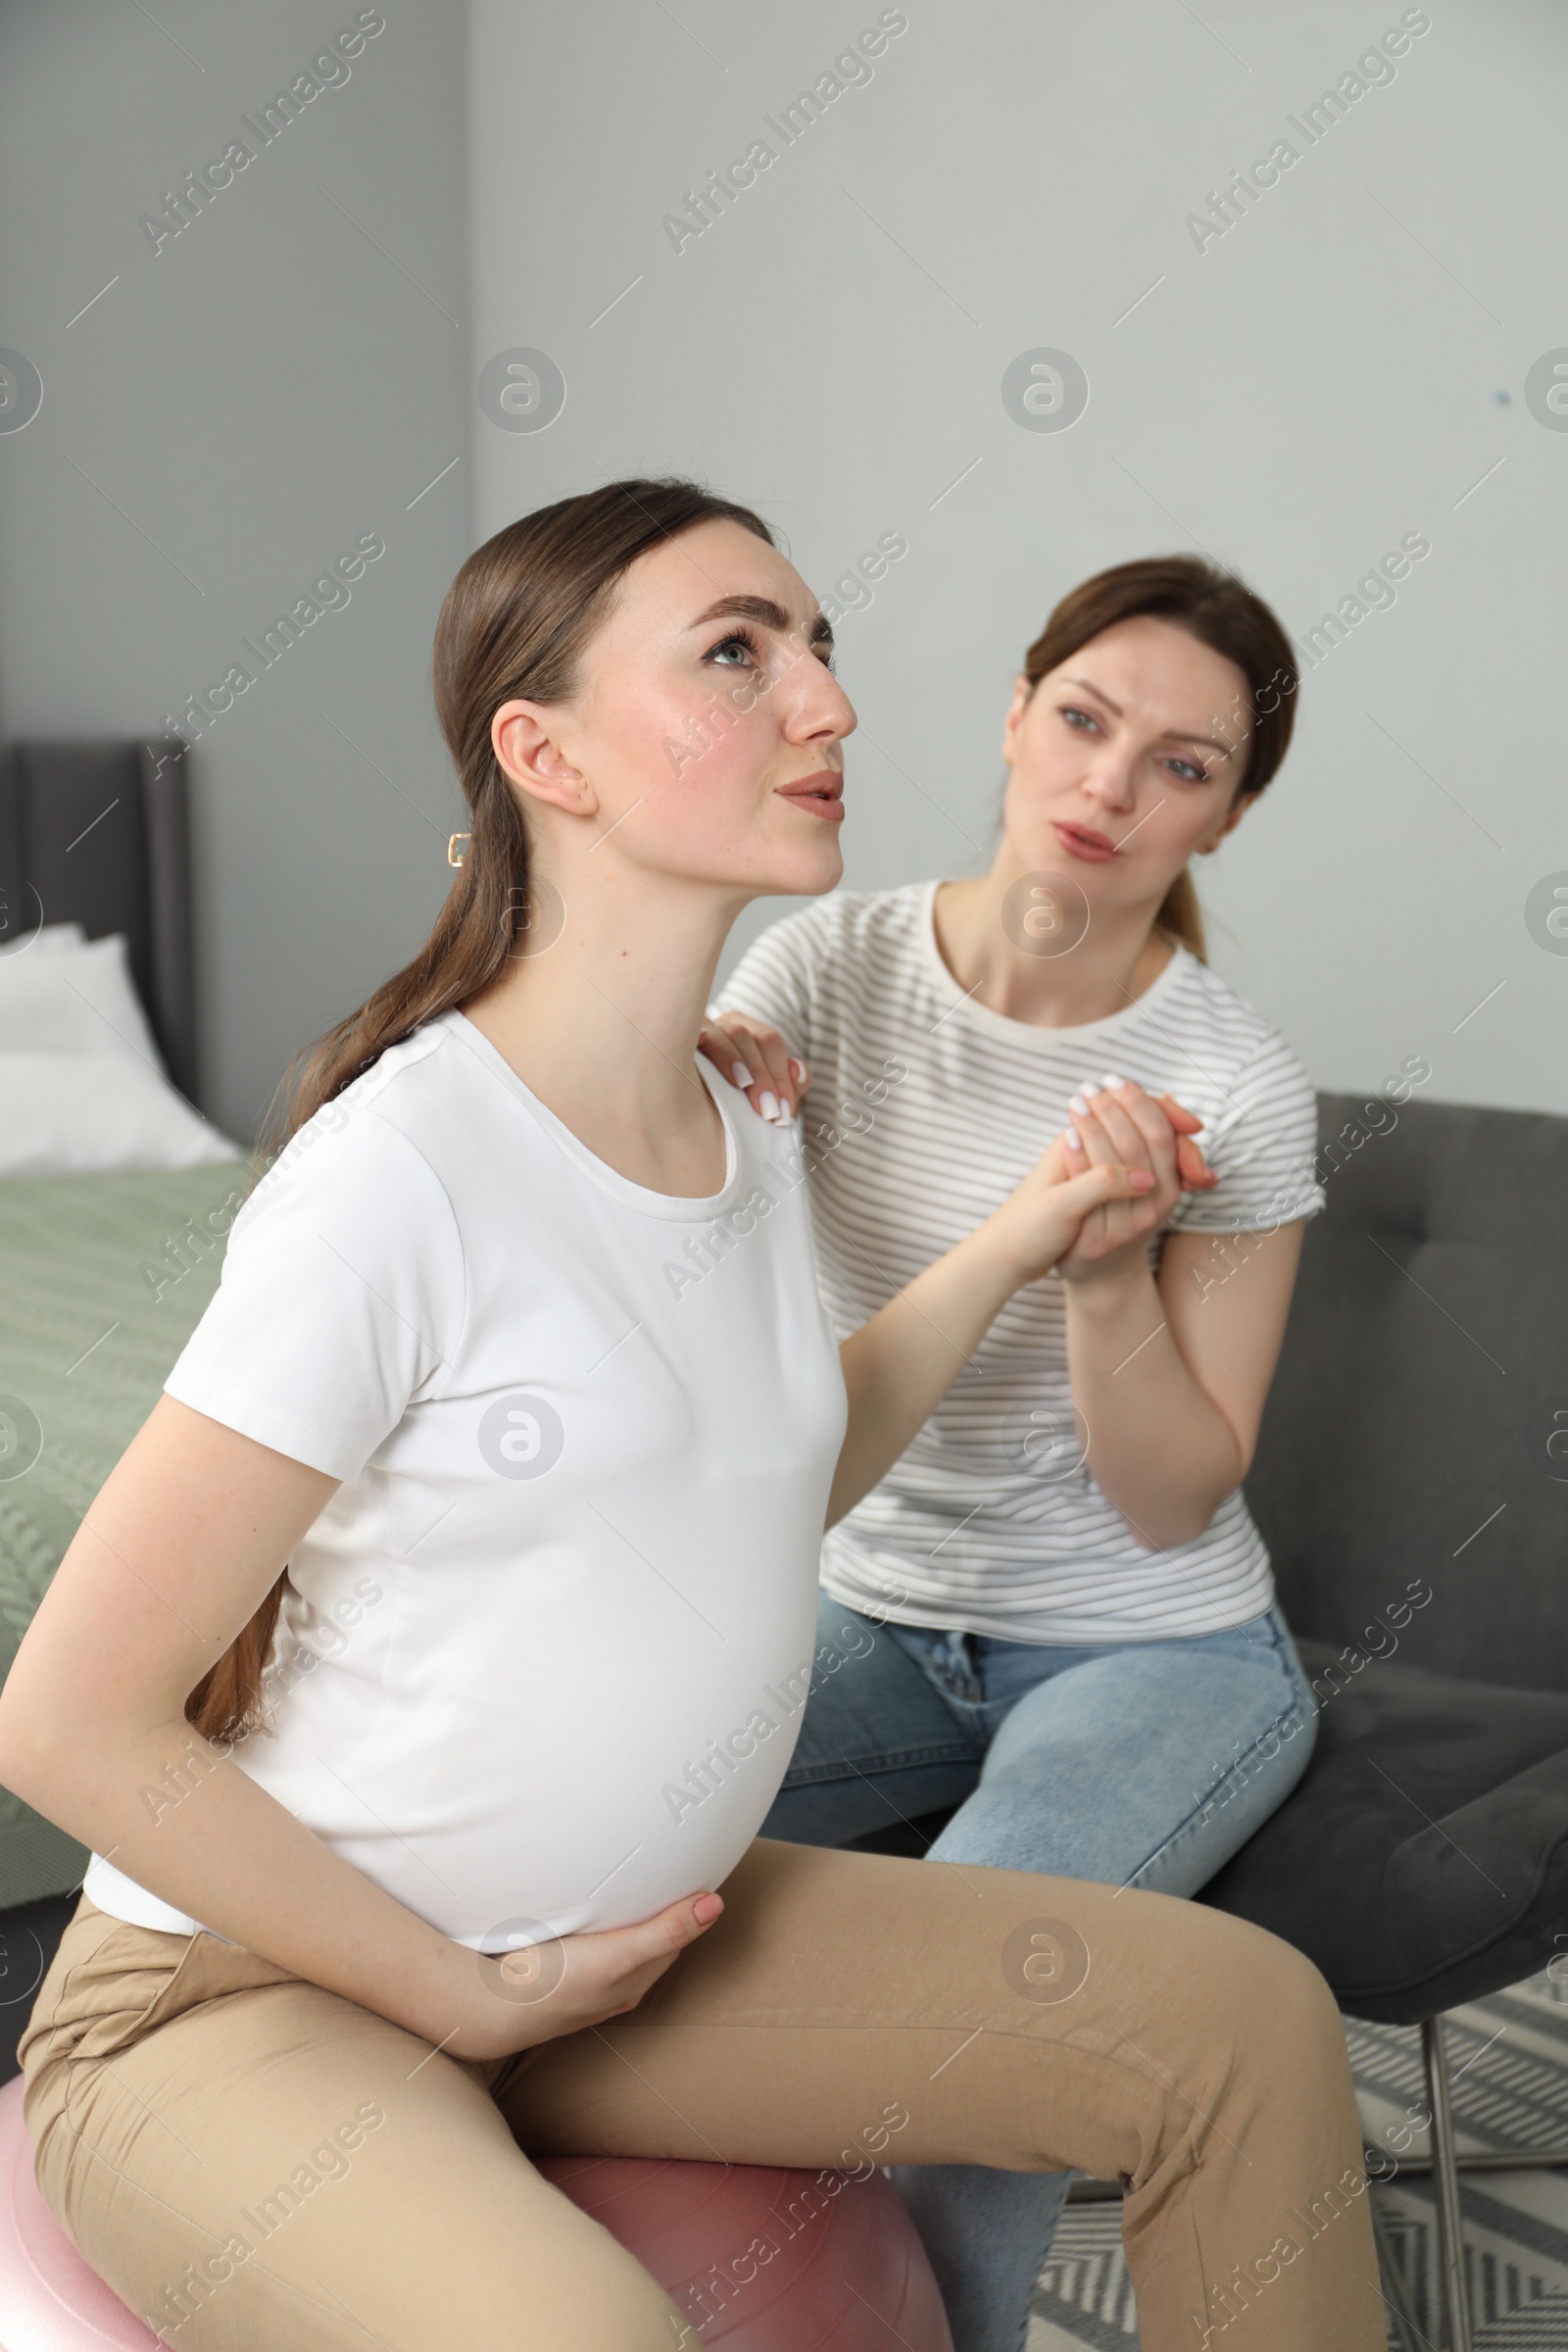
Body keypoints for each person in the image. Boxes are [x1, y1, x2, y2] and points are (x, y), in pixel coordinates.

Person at [0, 486, 1382, 2352]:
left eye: (818, 648)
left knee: (1244, 2028)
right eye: (740, 651)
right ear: (542, 752)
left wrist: (1039, 1240)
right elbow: (67, 1715)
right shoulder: (398, 1173)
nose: (826, 703)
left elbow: (785, 1461)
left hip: (633, 1956)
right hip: (244, 2002)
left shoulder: (743, 1119)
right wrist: (461, 1995)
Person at [701, 556, 1328, 2346]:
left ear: (1234, 810)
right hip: (873, 1608)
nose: (1112, 788)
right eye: (1084, 720)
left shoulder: (1234, 1081)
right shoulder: (821, 965)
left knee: (986, 1989)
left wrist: (1111, 1270)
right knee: (595, 1812)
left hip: (1159, 1649)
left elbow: (1171, 1494)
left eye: (1184, 766)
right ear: (1015, 713)